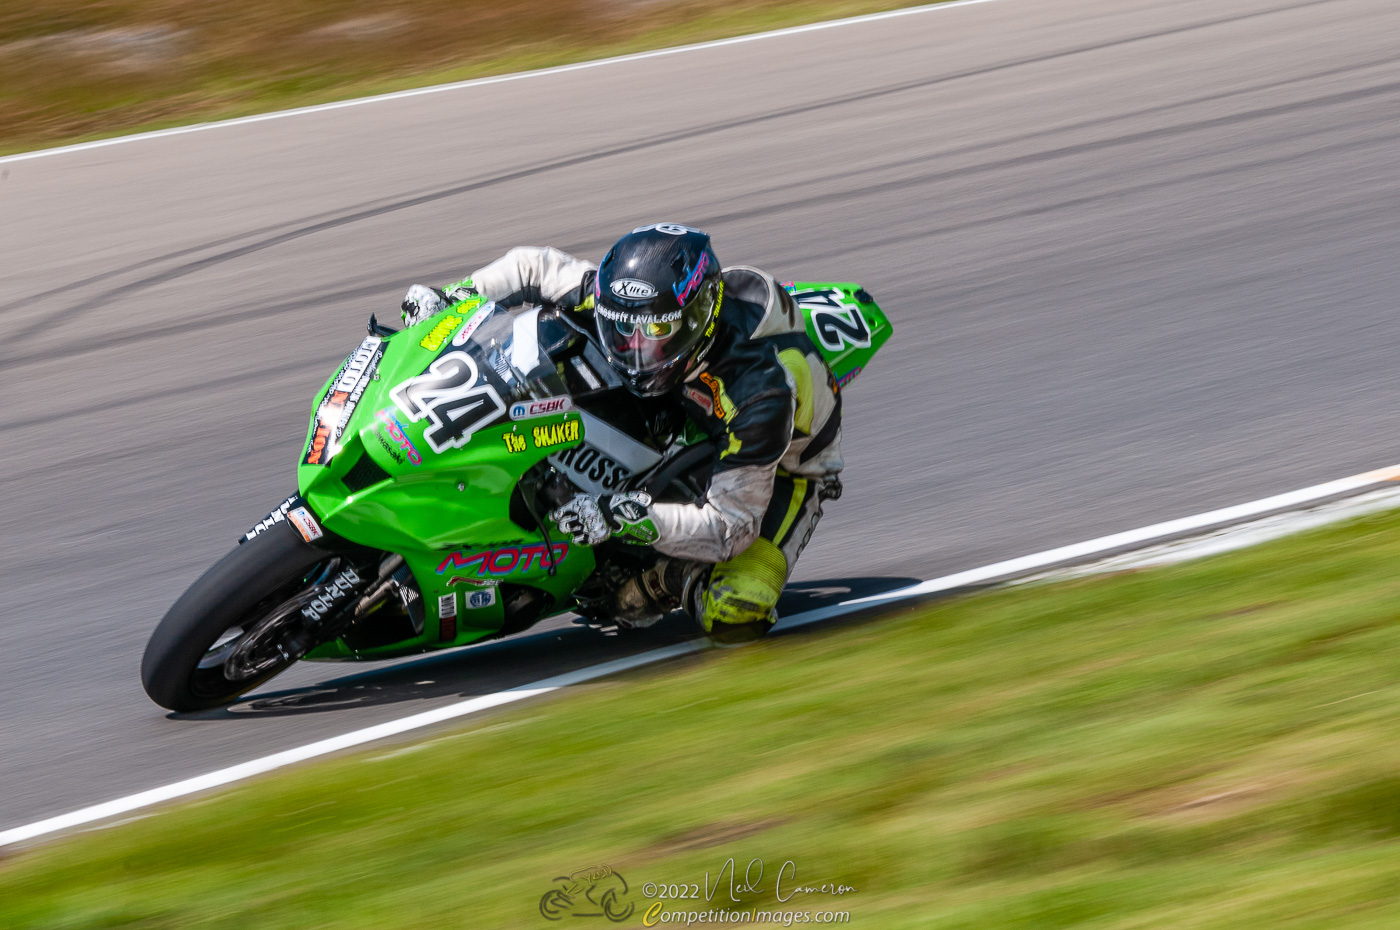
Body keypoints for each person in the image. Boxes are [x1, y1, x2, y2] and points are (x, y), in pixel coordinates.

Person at [400, 223, 842, 643]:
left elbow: (731, 528)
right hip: (684, 400)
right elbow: (531, 266)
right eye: (620, 327)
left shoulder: (758, 392)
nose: (632, 348)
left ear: (696, 320)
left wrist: (619, 516)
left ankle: (667, 577)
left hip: (783, 467)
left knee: (735, 611)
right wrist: (454, 298)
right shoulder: (638, 309)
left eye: (654, 334)